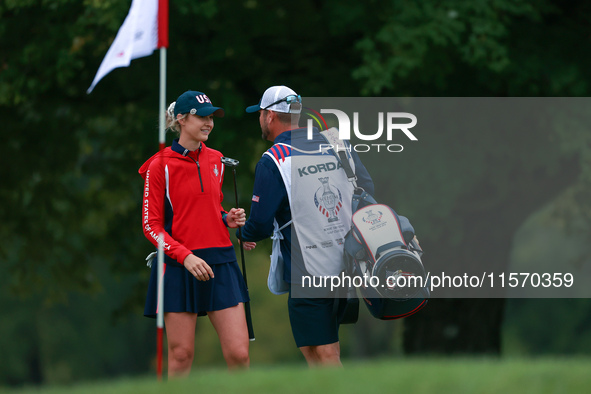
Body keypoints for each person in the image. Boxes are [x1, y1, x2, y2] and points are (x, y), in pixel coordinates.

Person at [238, 86, 374, 366]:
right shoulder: (337, 143)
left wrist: (242, 233)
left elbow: (261, 224)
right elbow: (366, 189)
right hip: (349, 261)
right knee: (323, 351)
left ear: (270, 116)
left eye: (261, 114)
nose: (261, 120)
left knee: (320, 352)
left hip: (308, 268)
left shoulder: (273, 159)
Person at [139, 90, 255, 376]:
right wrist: (185, 256)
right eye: (202, 117)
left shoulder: (217, 160)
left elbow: (210, 207)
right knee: (181, 356)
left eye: (211, 117)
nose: (209, 123)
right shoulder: (159, 165)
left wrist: (228, 218)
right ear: (181, 119)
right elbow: (151, 226)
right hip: (179, 266)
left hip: (221, 262)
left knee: (239, 354)